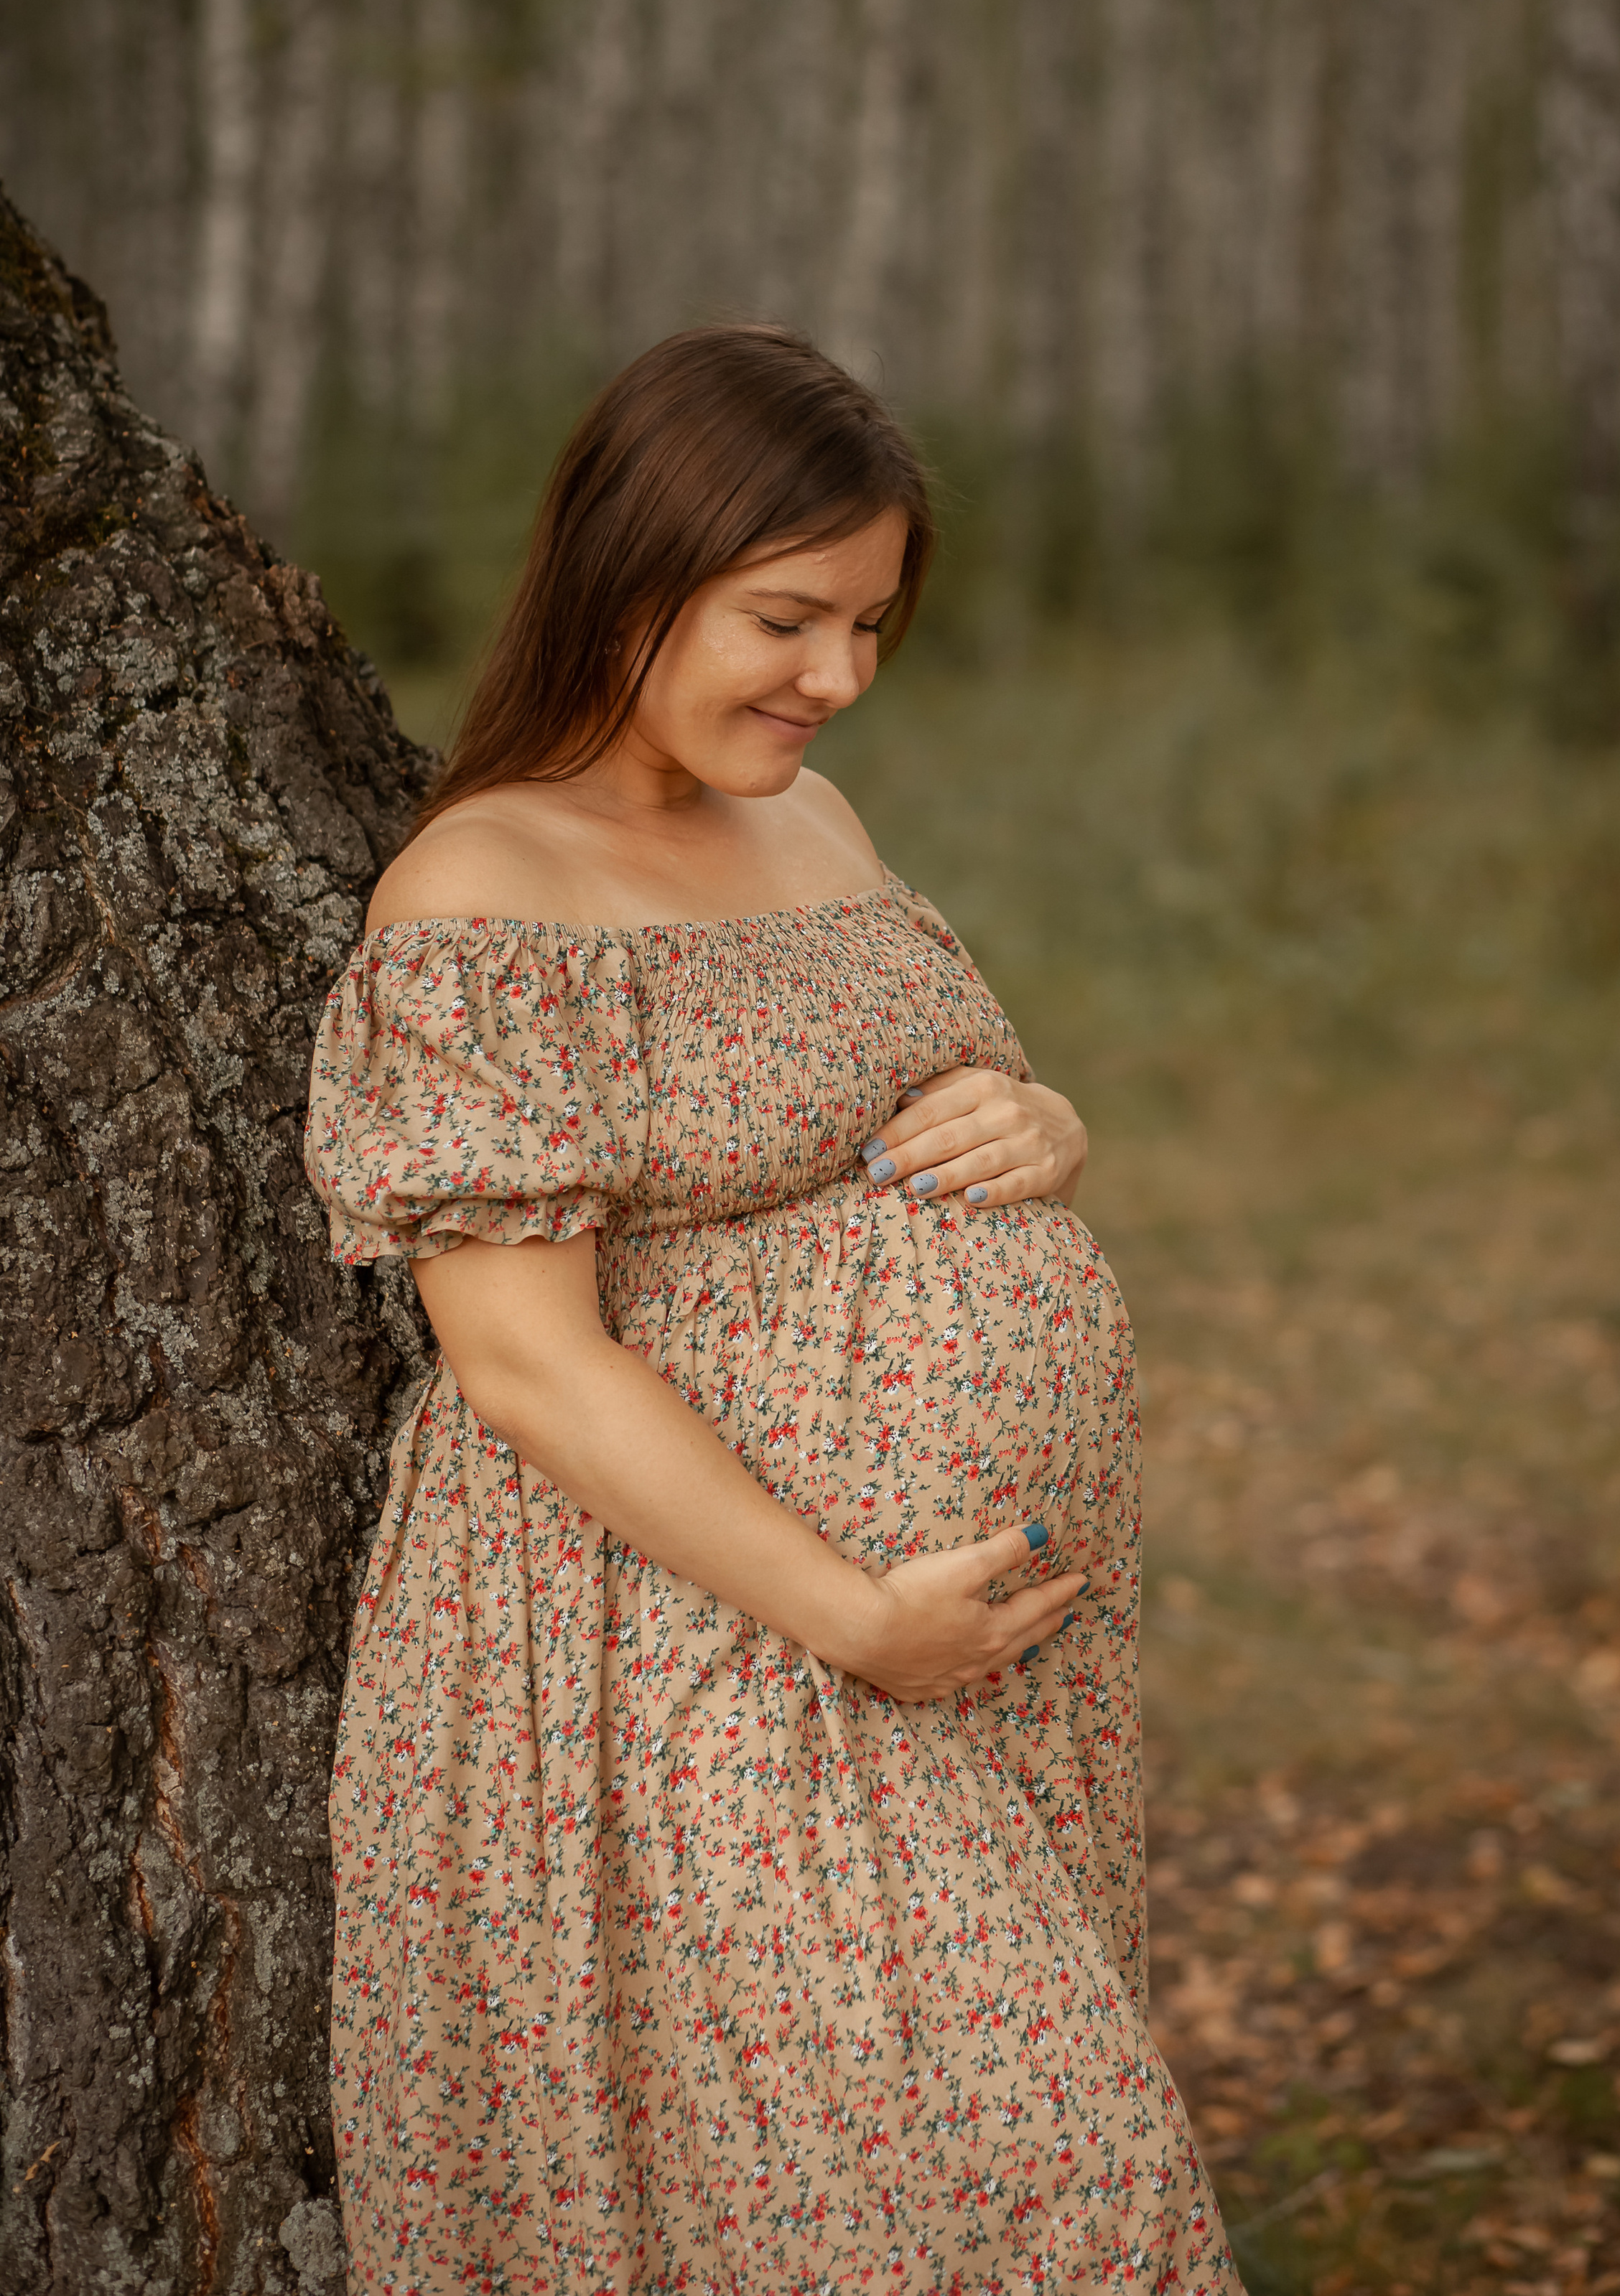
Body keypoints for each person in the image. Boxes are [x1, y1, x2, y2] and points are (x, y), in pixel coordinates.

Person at [306, 325, 1242, 2292]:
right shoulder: (488, 890)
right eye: (788, 620)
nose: (838, 680)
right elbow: (520, 1361)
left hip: (943, 1652)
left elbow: (902, 1108)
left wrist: (1040, 1123)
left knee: (947, 2189)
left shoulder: (811, 824)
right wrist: (854, 1619)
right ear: (630, 576)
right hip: (688, 1659)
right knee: (1024, 2186)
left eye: (873, 627)